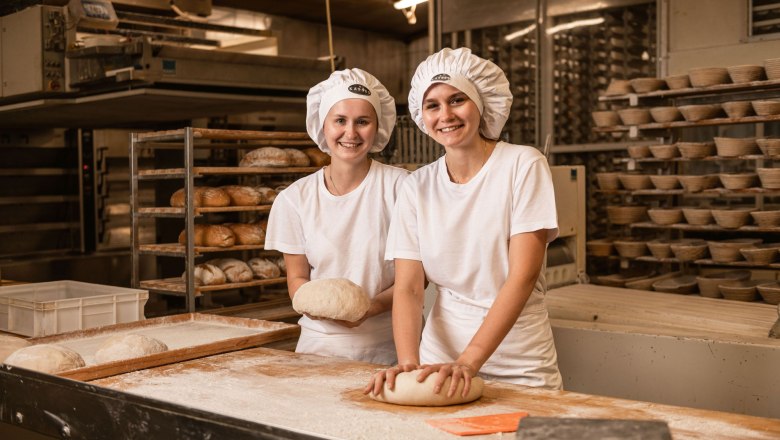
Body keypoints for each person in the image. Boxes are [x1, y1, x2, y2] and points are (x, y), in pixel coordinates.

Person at [365, 47, 562, 398]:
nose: (446, 115)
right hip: (439, 363)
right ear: (422, 115)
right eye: (433, 105)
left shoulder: (522, 165)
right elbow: (409, 287)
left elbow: (522, 276)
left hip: (519, 360)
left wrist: (469, 361)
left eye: (457, 100)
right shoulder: (417, 186)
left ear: (481, 103)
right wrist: (409, 364)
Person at [265, 68, 409, 364]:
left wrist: (370, 308)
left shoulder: (403, 188)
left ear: (378, 126)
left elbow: (416, 280)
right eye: (340, 120)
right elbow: (298, 278)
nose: (351, 133)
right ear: (323, 124)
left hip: (391, 345)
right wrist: (319, 307)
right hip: (318, 348)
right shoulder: (294, 199)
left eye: (363, 122)